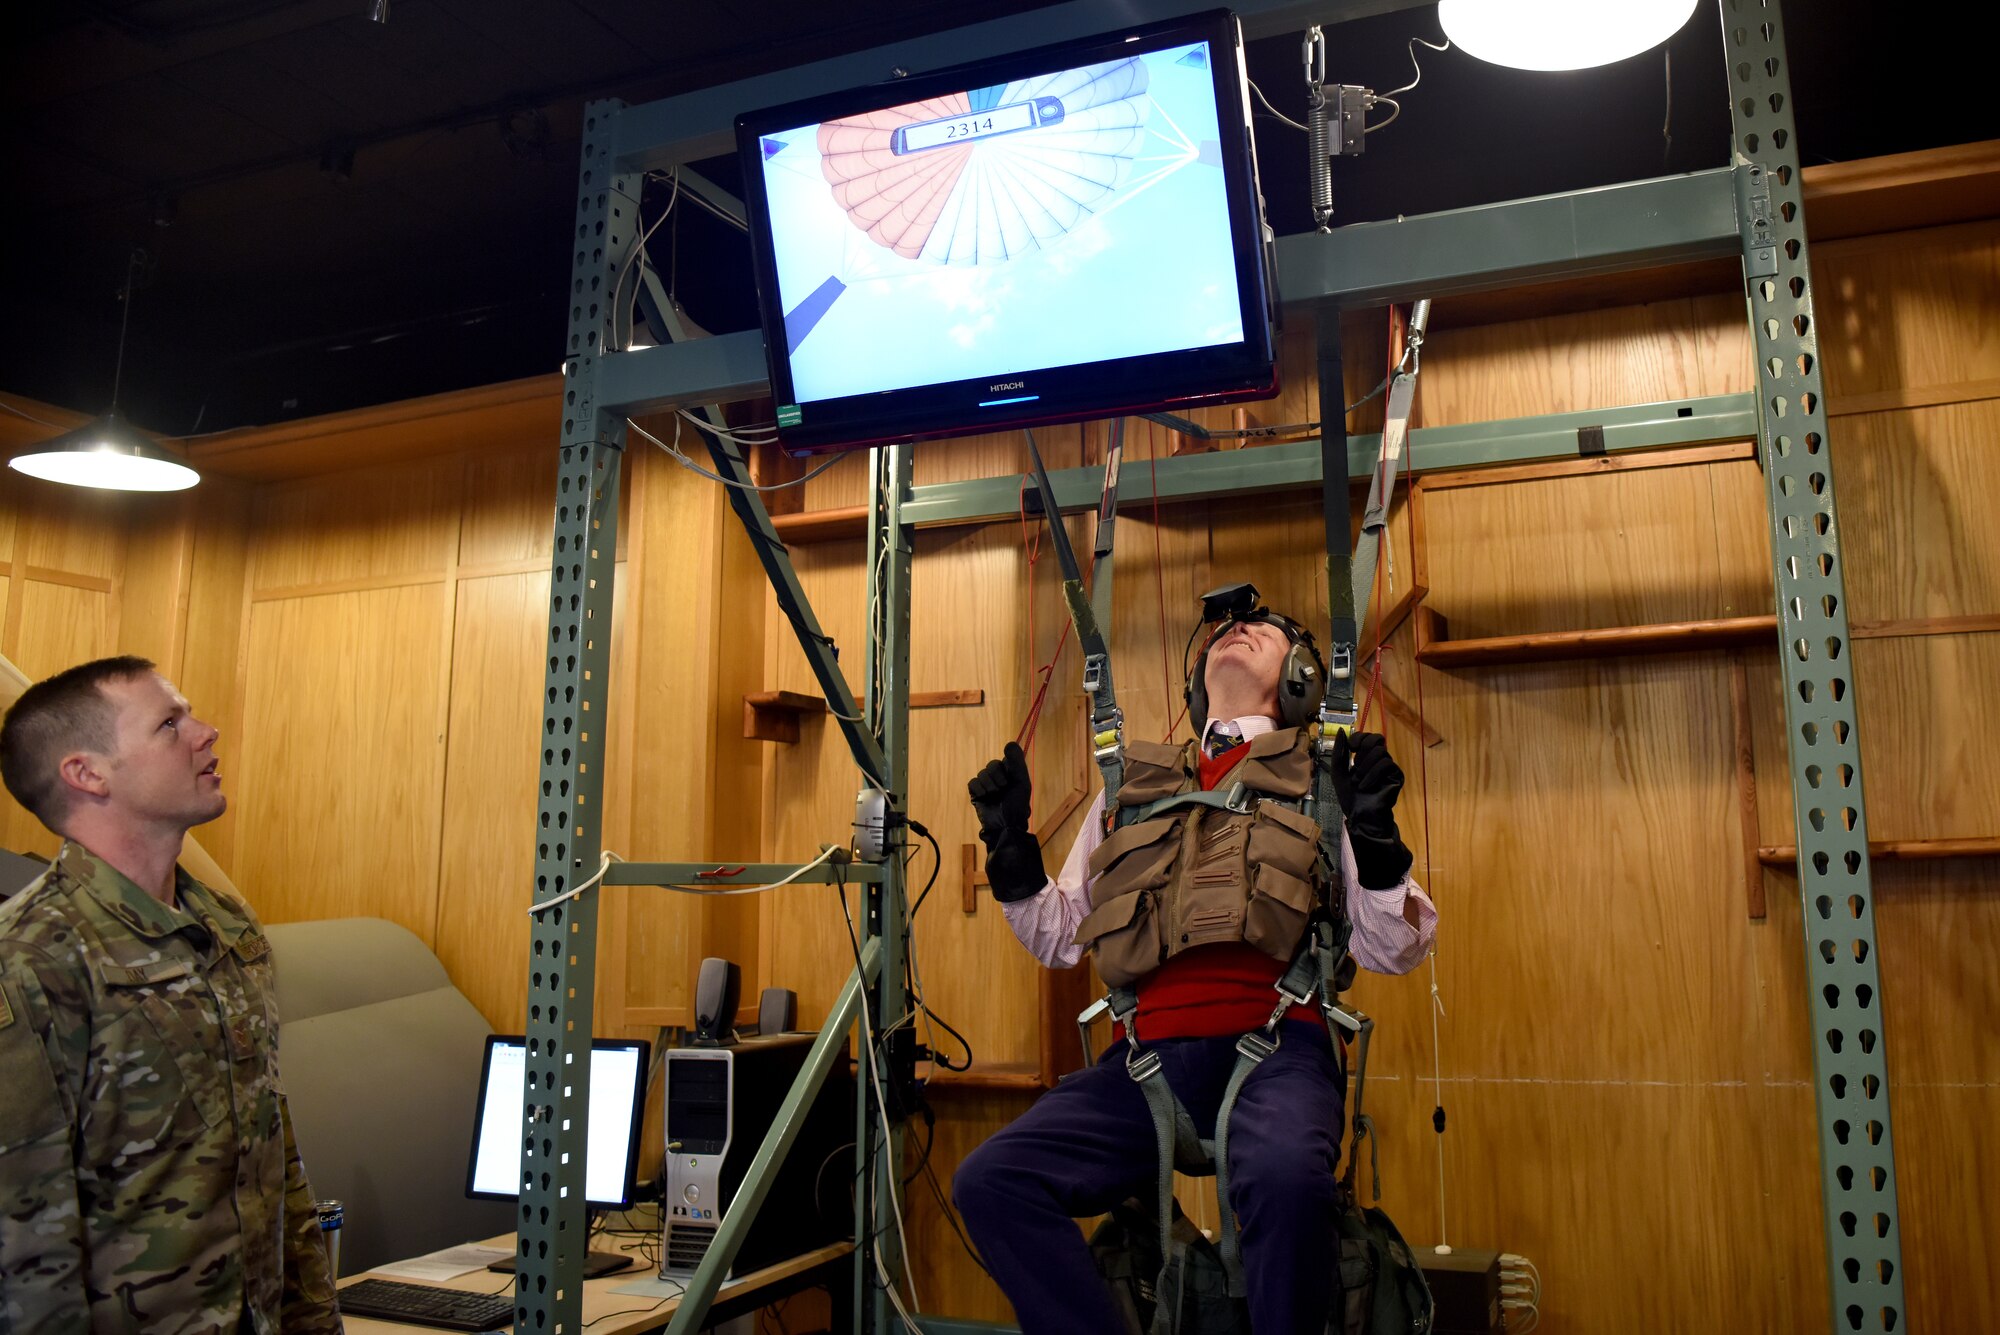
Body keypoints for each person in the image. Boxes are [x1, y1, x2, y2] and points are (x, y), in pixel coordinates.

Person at [953, 609, 1437, 1335]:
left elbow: (1390, 948)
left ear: (1303, 680)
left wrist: (1376, 840)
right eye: (1224, 631)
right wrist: (1011, 850)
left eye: (1264, 631)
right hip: (1143, 1065)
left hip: (1279, 1049)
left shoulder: (1324, 785)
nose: (1236, 631)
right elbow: (1060, 936)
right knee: (991, 1181)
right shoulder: (1130, 792)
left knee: (1284, 1179)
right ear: (1196, 677)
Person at [0, 656, 341, 1334]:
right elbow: (22, 1236)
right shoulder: (32, 958)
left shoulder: (226, 927)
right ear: (87, 772)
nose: (206, 732)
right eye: (168, 723)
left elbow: (273, 1155)